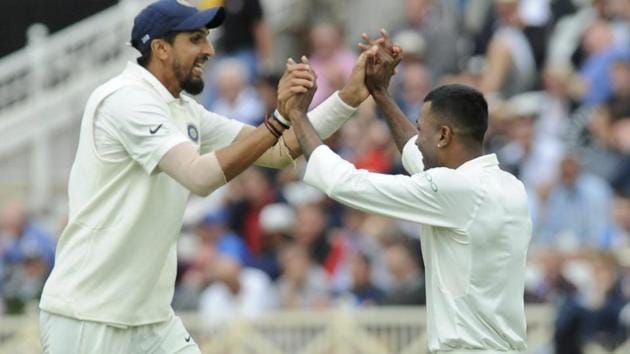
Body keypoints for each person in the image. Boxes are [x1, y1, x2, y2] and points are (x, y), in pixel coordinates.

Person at [38, 0, 373, 352]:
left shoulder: (184, 110)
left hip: (151, 319)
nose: (209, 50)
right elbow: (199, 177)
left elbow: (278, 151)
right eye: (196, 39)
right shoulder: (125, 100)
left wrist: (348, 98)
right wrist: (277, 119)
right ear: (161, 48)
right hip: (89, 314)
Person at [284, 32, 532, 352]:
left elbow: (344, 183)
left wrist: (298, 115)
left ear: (443, 135)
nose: (419, 137)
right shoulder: (510, 186)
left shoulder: (454, 189)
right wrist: (380, 93)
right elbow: (417, 154)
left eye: (422, 128)